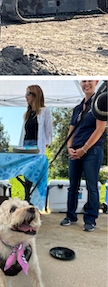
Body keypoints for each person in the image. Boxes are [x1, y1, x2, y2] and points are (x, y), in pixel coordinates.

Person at [61, 80, 106, 232]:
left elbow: (100, 129)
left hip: (92, 151)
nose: (87, 84)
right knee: (72, 186)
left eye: (90, 81)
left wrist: (84, 149)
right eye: (84, 81)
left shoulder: (100, 102)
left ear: (96, 82)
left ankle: (90, 219)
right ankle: (70, 215)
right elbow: (71, 131)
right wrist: (69, 148)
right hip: (75, 150)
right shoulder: (77, 108)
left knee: (91, 186)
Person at [18, 84, 53, 201]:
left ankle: (36, 204)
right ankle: (26, 203)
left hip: (37, 147)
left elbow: (49, 133)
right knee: (26, 178)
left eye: (28, 93)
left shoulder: (45, 111)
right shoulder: (26, 114)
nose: (25, 96)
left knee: (36, 177)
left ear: (35, 95)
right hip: (26, 147)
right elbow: (23, 134)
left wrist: (43, 148)